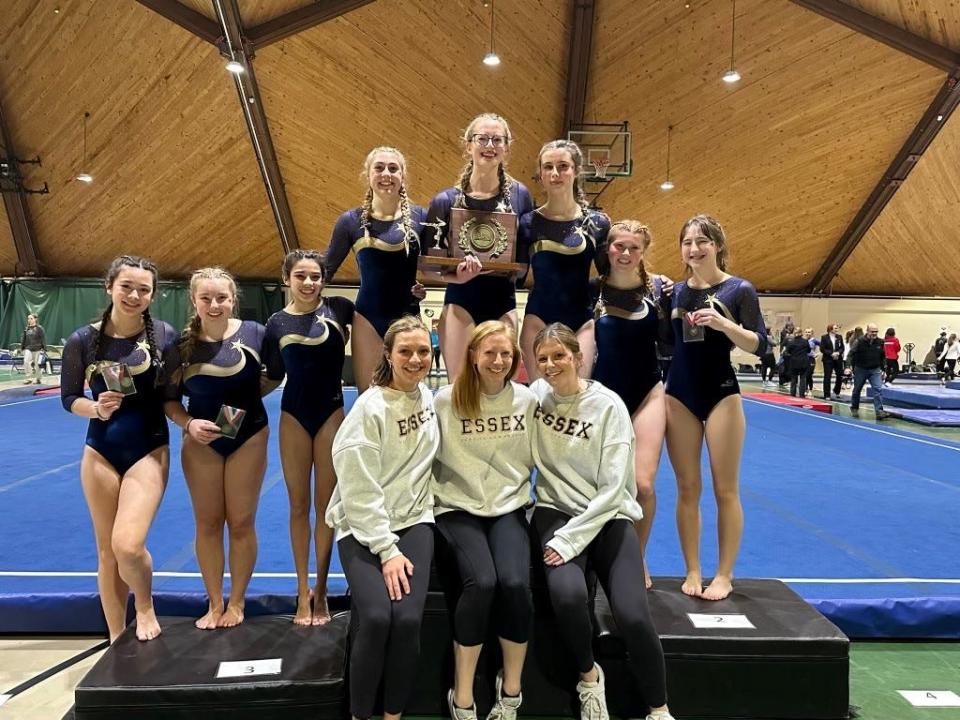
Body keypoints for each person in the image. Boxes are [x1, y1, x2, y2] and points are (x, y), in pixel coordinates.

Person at [530, 323, 674, 720]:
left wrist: (571, 540)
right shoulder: (535, 398)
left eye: (559, 356)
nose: (550, 365)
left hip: (607, 514)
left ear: (579, 358)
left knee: (632, 614)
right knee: (569, 596)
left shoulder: (608, 406)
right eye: (542, 358)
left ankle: (659, 709)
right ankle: (589, 677)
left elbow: (615, 490)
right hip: (555, 511)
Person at [325, 316, 438, 720]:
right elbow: (358, 492)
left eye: (423, 351)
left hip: (413, 520)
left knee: (406, 620)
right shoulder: (368, 411)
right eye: (405, 351)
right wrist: (386, 550)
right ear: (387, 355)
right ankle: (359, 714)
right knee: (375, 618)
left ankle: (393, 715)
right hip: (362, 524)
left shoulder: (427, 397)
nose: (415, 359)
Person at [60, 255, 177, 642]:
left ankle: (144, 607)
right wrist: (94, 408)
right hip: (100, 450)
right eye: (127, 286)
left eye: (144, 289)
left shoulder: (163, 335)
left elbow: (174, 395)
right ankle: (114, 638)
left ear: (152, 295)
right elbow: (69, 398)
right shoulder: (82, 340)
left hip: (149, 448)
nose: (135, 295)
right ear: (109, 287)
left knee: (127, 545)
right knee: (107, 554)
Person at [432, 320, 537, 720]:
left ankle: (511, 689)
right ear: (473, 354)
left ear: (515, 359)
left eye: (505, 354)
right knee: (483, 583)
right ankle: (462, 694)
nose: (497, 361)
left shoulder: (526, 401)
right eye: (489, 353)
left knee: (514, 583)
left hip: (508, 507)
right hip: (457, 508)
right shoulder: (444, 401)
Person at [664, 215, 767, 601]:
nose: (694, 248)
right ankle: (692, 568)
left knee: (726, 489)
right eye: (687, 242)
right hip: (679, 393)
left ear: (718, 245)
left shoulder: (739, 290)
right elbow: (662, 342)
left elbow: (760, 345)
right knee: (687, 488)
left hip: (722, 392)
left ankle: (724, 574)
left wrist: (727, 327)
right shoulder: (672, 292)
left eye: (702, 241)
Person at [164, 267, 271, 629]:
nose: (214, 304)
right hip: (201, 441)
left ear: (233, 300)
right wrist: (189, 424)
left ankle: (237, 602)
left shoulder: (255, 333)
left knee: (241, 522)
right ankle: (213, 602)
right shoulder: (181, 346)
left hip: (249, 436)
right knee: (208, 522)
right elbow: (170, 400)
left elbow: (275, 375)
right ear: (194, 300)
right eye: (206, 298)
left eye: (222, 297)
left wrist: (246, 405)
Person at [263, 250, 354, 625]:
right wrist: (224, 404)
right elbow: (270, 376)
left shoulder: (339, 310)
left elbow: (381, 319)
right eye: (301, 276)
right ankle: (302, 592)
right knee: (298, 507)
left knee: (325, 508)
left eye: (315, 276)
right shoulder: (276, 323)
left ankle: (321, 592)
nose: (309, 283)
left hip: (332, 413)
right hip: (294, 416)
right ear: (287, 279)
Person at [423, 113, 534, 381]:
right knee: (457, 389)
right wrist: (455, 276)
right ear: (468, 145)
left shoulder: (521, 196)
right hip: (461, 302)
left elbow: (523, 264)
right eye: (482, 138)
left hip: (503, 302)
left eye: (497, 139)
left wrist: (503, 268)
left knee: (499, 387)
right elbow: (429, 267)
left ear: (507, 147)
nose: (490, 145)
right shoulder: (445, 201)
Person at [590, 220, 670, 588]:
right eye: (618, 246)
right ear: (607, 248)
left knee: (643, 484)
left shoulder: (660, 290)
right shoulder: (593, 291)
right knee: (597, 484)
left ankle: (636, 558)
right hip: (602, 398)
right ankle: (593, 553)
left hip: (648, 393)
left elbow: (674, 342)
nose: (624, 253)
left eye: (633, 248)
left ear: (643, 252)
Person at [324, 147, 426, 392]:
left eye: (393, 168)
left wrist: (426, 286)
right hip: (368, 319)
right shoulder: (350, 221)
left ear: (403, 175)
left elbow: (438, 265)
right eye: (379, 168)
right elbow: (325, 270)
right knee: (368, 398)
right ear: (368, 174)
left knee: (410, 396)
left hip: (408, 317)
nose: (386, 174)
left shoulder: (421, 217)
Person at [517, 140, 609, 380]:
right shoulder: (527, 223)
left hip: (581, 321)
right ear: (540, 173)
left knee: (579, 395)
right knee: (541, 399)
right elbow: (514, 277)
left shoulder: (597, 223)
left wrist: (653, 279)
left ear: (576, 171)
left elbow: (611, 275)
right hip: (538, 318)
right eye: (548, 167)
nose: (555, 173)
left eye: (563, 166)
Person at [849, 323, 889, 419]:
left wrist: (884, 370)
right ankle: (854, 407)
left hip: (874, 369)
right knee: (857, 390)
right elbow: (850, 354)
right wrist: (847, 367)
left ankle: (879, 411)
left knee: (878, 389)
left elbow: (883, 357)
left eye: (876, 332)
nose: (874, 333)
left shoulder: (880, 342)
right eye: (872, 331)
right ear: (867, 331)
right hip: (860, 369)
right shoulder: (859, 341)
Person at [782, 328, 811, 398]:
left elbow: (787, 351)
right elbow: (809, 350)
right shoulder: (805, 341)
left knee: (794, 379)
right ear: (801, 333)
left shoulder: (791, 342)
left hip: (794, 362)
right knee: (803, 379)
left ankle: (792, 394)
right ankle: (802, 394)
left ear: (795, 333)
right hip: (803, 362)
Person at [20, 313, 47, 384]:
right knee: (26, 361)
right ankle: (29, 378)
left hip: (38, 349)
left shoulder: (40, 328)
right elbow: (24, 339)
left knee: (37, 364)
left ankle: (38, 378)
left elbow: (43, 339)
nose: (29, 320)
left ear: (35, 319)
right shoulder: (26, 329)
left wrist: (44, 349)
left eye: (31, 318)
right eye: (28, 319)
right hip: (28, 348)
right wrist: (22, 348)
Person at [820, 323, 844, 400]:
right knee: (827, 376)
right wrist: (831, 353)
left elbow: (842, 347)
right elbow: (822, 349)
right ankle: (827, 394)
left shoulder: (839, 337)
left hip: (838, 359)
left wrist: (838, 353)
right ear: (830, 329)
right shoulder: (824, 337)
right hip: (828, 359)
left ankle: (837, 391)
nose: (837, 330)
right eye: (835, 328)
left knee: (839, 375)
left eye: (837, 328)